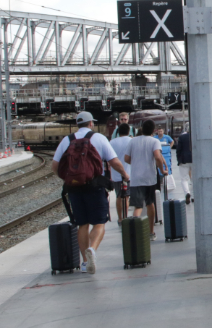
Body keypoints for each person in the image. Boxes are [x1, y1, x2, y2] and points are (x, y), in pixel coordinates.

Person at [52, 111, 128, 275]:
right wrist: (125, 175)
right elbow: (114, 161)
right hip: (94, 186)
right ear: (91, 123)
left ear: (77, 124)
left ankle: (85, 263)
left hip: (74, 188)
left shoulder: (67, 140)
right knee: (99, 223)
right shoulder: (98, 138)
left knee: (82, 224)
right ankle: (92, 249)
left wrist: (68, 179)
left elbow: (55, 165)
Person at [124, 119, 167, 239]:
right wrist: (162, 170)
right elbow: (158, 157)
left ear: (142, 128)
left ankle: (136, 233)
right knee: (150, 204)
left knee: (138, 207)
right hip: (149, 178)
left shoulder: (133, 141)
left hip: (136, 178)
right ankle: (151, 232)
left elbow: (126, 158)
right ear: (153, 130)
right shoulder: (154, 141)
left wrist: (136, 162)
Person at [110, 123, 133, 221]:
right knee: (126, 197)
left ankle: (120, 218)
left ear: (118, 132)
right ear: (128, 131)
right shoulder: (132, 141)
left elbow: (108, 159)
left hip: (115, 174)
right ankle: (125, 217)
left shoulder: (112, 142)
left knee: (118, 195)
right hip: (129, 173)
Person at [177, 125, 192, 204]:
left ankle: (187, 193)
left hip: (184, 160)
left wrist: (179, 160)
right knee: (194, 179)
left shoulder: (182, 137)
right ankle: (194, 196)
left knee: (184, 179)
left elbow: (178, 149)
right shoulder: (196, 136)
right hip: (194, 160)